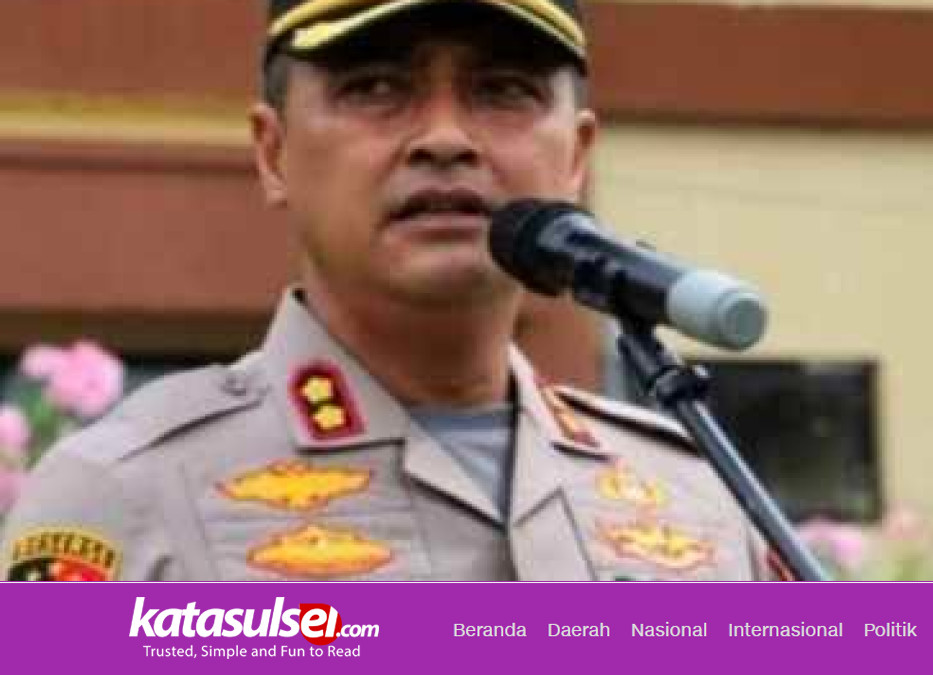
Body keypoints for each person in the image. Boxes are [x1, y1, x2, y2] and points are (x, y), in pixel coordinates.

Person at [1, 0, 777, 581]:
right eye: (375, 86)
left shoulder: (697, 493)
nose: (445, 137)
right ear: (273, 152)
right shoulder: (124, 493)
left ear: (575, 157)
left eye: (503, 89)